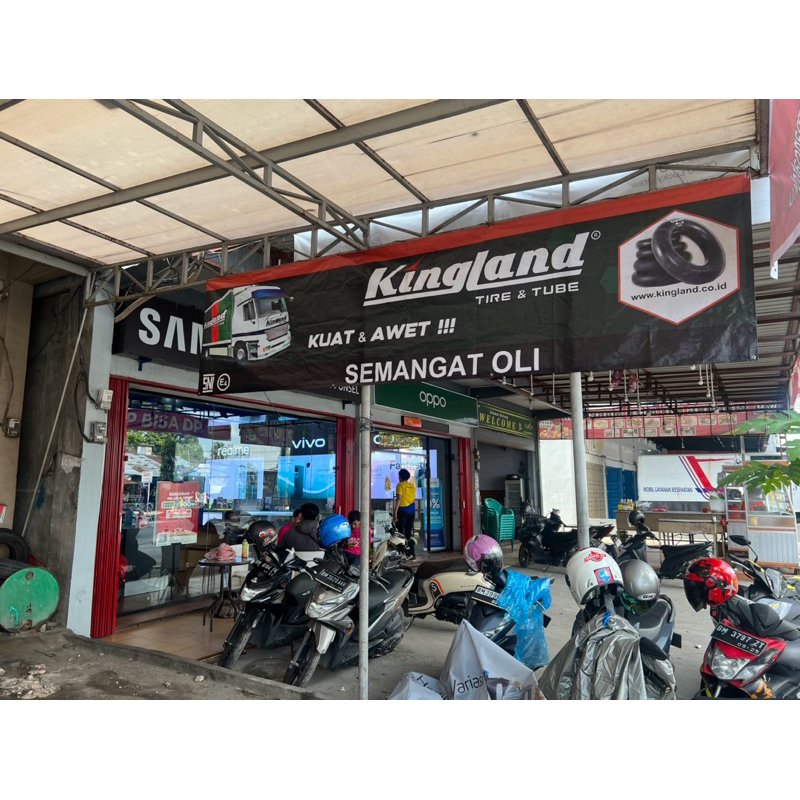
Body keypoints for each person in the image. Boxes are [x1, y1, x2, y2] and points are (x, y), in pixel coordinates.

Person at [393, 468, 416, 558]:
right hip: (411, 511)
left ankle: (402, 553)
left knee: (400, 533)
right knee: (408, 532)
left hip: (402, 511)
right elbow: (413, 499)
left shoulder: (400, 485)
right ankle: (411, 553)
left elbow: (399, 499)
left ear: (400, 477)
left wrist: (395, 512)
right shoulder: (412, 486)